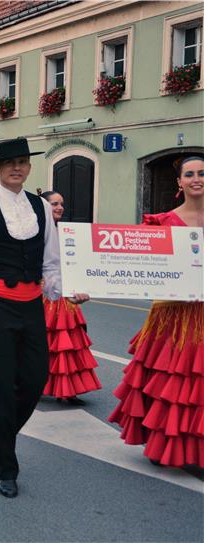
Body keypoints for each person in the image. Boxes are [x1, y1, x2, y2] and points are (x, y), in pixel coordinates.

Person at [0, 138, 88, 498]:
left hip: (30, 304)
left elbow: (51, 262)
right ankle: (5, 465)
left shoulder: (41, 207)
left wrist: (66, 290)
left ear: (29, 167)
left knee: (36, 377)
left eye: (23, 162)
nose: (17, 168)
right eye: (10, 162)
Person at [109, 155, 204, 469]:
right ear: (179, 182)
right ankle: (168, 446)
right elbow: (134, 265)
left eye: (202, 173)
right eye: (189, 174)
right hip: (172, 317)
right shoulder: (161, 223)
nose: (196, 179)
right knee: (173, 383)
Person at [39, 190, 101, 405]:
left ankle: (69, 389)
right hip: (44, 295)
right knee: (45, 342)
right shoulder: (36, 233)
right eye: (54, 204)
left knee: (68, 342)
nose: (59, 207)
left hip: (67, 295)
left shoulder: (69, 233)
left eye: (61, 204)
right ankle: (38, 384)